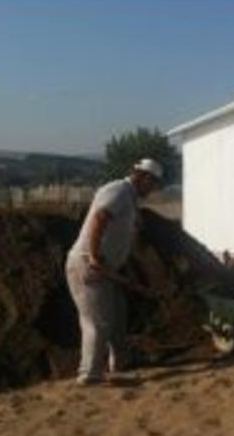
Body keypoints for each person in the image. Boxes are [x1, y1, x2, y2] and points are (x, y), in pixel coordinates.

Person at [65, 158, 163, 386]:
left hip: (107, 268)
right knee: (97, 323)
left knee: (118, 315)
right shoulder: (118, 190)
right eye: (153, 183)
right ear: (142, 177)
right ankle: (89, 375)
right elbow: (100, 218)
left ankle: (119, 364)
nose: (153, 189)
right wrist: (93, 255)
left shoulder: (129, 198)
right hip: (88, 266)